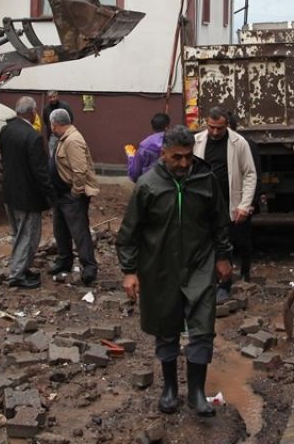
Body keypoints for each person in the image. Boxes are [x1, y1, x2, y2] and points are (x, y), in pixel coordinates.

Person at [117, 125, 232, 417]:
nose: (183, 163)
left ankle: (196, 392)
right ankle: (169, 389)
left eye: (187, 157)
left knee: (202, 328)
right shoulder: (147, 185)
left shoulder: (206, 180)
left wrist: (223, 257)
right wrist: (129, 271)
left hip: (200, 264)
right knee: (166, 328)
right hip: (159, 267)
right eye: (176, 157)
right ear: (163, 154)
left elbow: (220, 221)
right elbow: (130, 232)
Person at [192, 107, 256, 299]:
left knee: (224, 243)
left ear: (227, 125)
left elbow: (250, 174)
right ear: (206, 123)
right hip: (203, 202)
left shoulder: (239, 143)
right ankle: (205, 283)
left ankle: (224, 284)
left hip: (228, 202)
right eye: (211, 127)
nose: (215, 132)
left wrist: (244, 205)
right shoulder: (197, 141)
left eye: (219, 128)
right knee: (202, 242)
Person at [0, 96, 56, 289]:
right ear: (32, 113)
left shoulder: (6, 130)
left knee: (17, 234)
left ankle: (21, 268)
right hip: (27, 196)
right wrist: (51, 196)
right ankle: (17, 276)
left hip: (9, 192)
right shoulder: (32, 137)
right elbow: (40, 172)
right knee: (28, 236)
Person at [49, 108, 100, 284]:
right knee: (60, 230)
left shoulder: (73, 140)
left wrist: (75, 192)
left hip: (71, 196)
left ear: (55, 124)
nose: (51, 128)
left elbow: (80, 171)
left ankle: (89, 268)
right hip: (60, 195)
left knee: (79, 232)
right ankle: (64, 262)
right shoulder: (63, 139)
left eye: (52, 125)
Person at [127, 112, 170, 181]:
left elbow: (135, 174)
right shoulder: (174, 142)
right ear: (167, 127)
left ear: (152, 126)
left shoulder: (145, 145)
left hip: (150, 185)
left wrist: (131, 158)